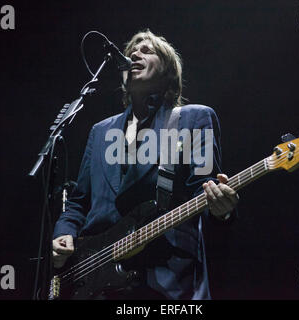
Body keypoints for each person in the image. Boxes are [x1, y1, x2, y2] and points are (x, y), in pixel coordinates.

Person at [52, 29, 238, 300]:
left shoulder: (194, 120)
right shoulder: (101, 131)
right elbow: (79, 202)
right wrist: (64, 232)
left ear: (168, 73)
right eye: (130, 53)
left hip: (163, 281)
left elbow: (204, 189)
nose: (134, 54)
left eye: (147, 50)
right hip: (93, 282)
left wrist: (222, 211)